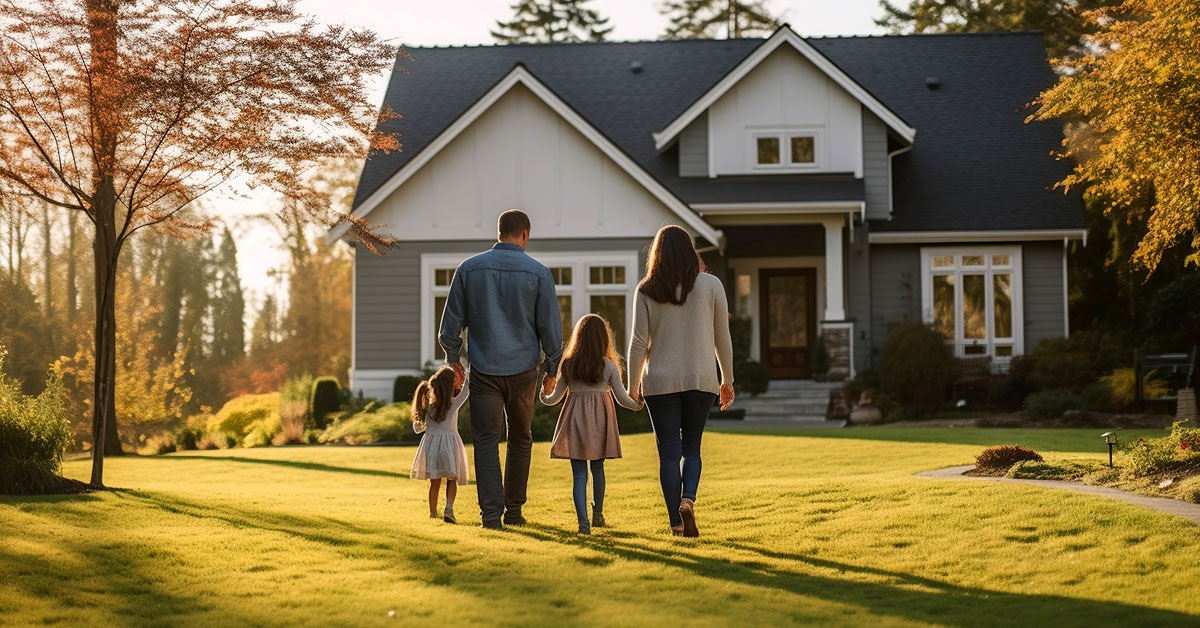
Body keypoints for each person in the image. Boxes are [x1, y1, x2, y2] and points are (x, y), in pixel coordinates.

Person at [439, 209, 563, 529]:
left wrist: (455, 360)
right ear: (525, 235)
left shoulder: (469, 269)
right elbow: (550, 328)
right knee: (521, 439)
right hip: (523, 371)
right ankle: (515, 511)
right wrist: (552, 368)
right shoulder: (538, 273)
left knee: (485, 440)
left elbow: (450, 326)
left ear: (499, 232)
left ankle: (491, 516)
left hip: (484, 369)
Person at [628, 225, 735, 538]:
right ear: (691, 252)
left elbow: (637, 343)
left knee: (669, 454)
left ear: (657, 254)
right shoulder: (712, 285)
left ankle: (676, 524)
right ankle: (688, 499)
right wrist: (727, 380)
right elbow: (722, 338)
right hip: (701, 379)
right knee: (692, 449)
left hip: (659, 382)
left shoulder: (646, 289)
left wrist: (633, 387)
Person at [541, 314, 643, 535]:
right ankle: (598, 514)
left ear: (579, 337)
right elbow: (621, 398)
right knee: (597, 468)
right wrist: (638, 404)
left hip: (574, 421)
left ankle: (583, 522)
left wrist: (543, 393)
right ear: (602, 339)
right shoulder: (608, 366)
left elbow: (554, 399)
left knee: (579, 474)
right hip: (599, 421)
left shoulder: (568, 364)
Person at [409, 366, 471, 524]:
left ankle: (432, 512)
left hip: (432, 447)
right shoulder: (453, 404)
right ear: (450, 385)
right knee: (452, 479)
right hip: (450, 446)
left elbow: (417, 428)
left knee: (434, 481)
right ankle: (449, 509)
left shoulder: (429, 408)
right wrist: (468, 369)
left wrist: (419, 421)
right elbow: (467, 389)